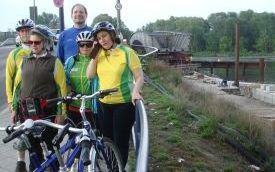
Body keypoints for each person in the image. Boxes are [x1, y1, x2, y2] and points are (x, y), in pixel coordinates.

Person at [86, 21, 144, 169]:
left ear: (112, 35)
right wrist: (94, 55)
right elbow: (90, 75)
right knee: (107, 140)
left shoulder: (126, 52)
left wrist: (136, 91)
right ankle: (113, 167)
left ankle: (119, 168)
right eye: (99, 38)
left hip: (123, 104)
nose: (102, 40)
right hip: (104, 104)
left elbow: (139, 77)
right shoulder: (99, 54)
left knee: (120, 142)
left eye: (104, 36)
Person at [12, 25, 67, 171]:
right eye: (31, 42)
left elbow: (62, 89)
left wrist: (62, 113)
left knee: (51, 150)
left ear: (45, 43)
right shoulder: (24, 61)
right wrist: (14, 109)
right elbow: (17, 87)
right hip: (27, 114)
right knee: (34, 152)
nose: (34, 45)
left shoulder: (54, 62)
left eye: (37, 42)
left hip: (48, 114)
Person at [5, 18, 34, 172]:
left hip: (36, 100)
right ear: (19, 33)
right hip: (20, 102)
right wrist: (11, 104)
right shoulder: (14, 54)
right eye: (22, 30)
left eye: (28, 30)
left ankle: (36, 162)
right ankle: (20, 163)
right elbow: (9, 80)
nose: (25, 33)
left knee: (36, 135)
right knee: (21, 136)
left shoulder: (39, 49)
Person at [64, 30, 98, 127]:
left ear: (93, 44)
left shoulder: (97, 60)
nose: (85, 47)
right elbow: (65, 80)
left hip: (92, 106)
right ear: (78, 45)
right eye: (82, 44)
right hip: (74, 106)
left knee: (94, 137)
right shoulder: (71, 61)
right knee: (74, 137)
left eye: (89, 44)